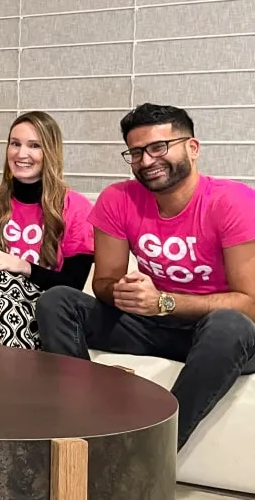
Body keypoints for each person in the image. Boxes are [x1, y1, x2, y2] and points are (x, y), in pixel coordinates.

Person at [37, 103, 255, 448]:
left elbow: (249, 304)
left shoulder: (233, 202)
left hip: (219, 336)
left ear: (192, 148)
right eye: (136, 152)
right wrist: (127, 291)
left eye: (158, 147)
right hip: (155, 325)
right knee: (58, 301)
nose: (147, 161)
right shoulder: (118, 199)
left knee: (230, 325)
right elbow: (104, 284)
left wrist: (164, 302)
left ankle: (149, 452)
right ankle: (81, 428)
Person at [0, 111, 94, 348]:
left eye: (34, 146)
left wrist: (23, 267)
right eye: (15, 144)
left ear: (50, 152)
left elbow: (72, 285)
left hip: (43, 309)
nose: (22, 154)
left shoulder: (77, 207)